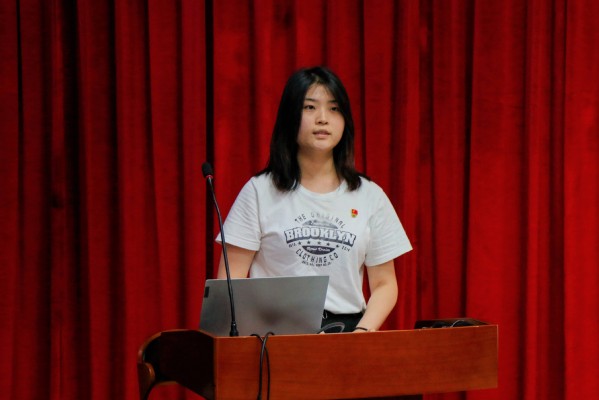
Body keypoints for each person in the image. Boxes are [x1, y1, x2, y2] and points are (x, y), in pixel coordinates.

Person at [216, 66, 412, 333]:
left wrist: (361, 335)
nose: (323, 119)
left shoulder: (369, 195)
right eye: (310, 107)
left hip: (348, 335)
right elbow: (230, 282)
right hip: (276, 336)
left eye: (334, 108)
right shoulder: (259, 191)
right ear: (290, 117)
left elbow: (385, 284)